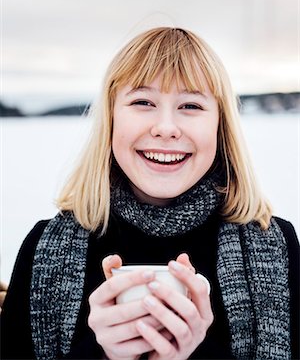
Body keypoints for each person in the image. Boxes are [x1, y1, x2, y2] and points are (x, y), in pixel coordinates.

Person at [1, 27, 299, 360]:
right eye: (143, 102)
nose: (166, 127)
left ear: (220, 125)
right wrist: (100, 354)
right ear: (111, 118)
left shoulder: (277, 246)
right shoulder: (44, 249)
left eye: (190, 105)